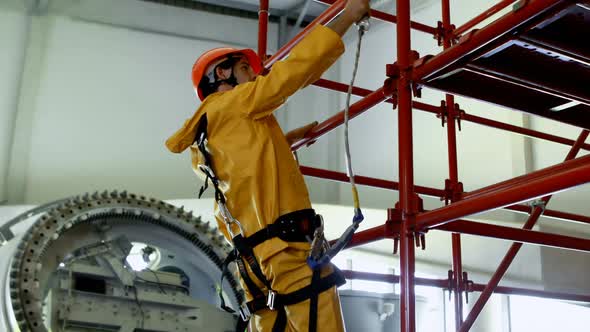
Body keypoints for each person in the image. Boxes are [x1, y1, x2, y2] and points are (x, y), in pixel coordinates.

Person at [166, 1, 370, 330]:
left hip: (251, 266)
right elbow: (293, 72)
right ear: (222, 72)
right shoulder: (233, 103)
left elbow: (246, 167)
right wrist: (347, 15)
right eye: (247, 69)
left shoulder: (202, 139)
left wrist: (283, 141)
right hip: (287, 251)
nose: (256, 75)